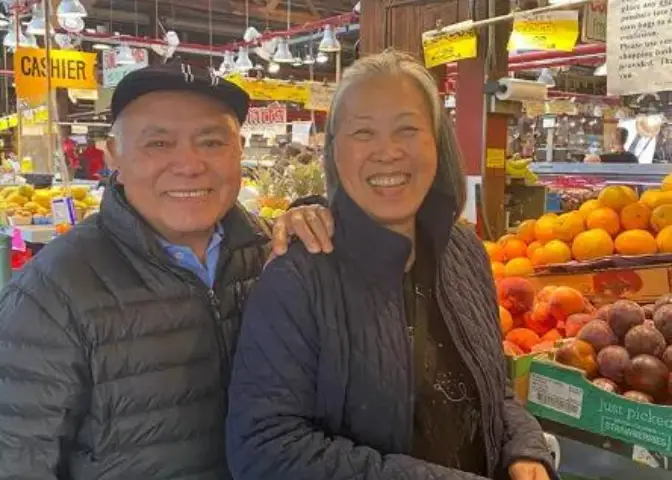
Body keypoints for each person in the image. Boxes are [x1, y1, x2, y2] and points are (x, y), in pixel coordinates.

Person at [227, 50, 557, 480]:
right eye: (363, 133)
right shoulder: (298, 276)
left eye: (407, 129)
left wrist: (524, 448)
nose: (387, 151)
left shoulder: (463, 250)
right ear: (335, 152)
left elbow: (491, 387)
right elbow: (265, 449)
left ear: (437, 143)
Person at [0, 63, 334, 479]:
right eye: (158, 143)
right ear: (114, 157)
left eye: (212, 142)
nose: (190, 164)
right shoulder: (52, 294)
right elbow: (17, 459)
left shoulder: (275, 254)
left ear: (239, 150)